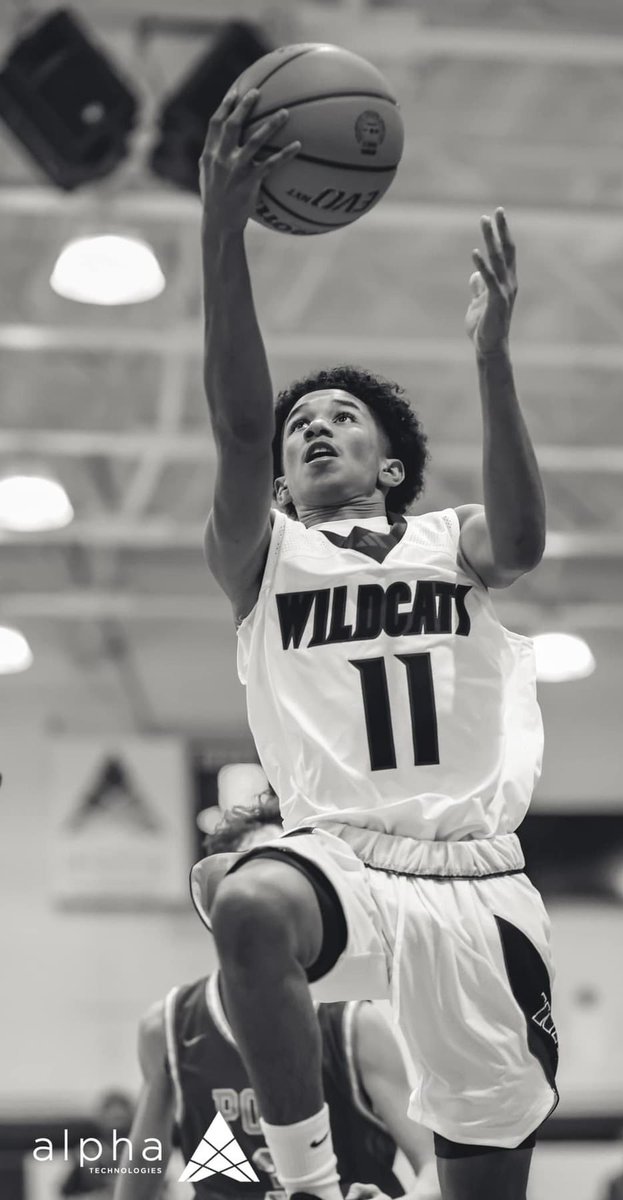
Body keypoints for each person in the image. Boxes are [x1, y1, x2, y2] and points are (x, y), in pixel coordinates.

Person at [193, 87, 556, 1200]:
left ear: (391, 463)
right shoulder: (263, 560)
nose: (314, 425)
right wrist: (222, 226)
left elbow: (528, 539)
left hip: (477, 879)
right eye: (306, 423)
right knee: (248, 901)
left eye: (342, 416)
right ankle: (307, 1182)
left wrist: (491, 357)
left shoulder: (452, 541)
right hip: (340, 852)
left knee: (484, 1171)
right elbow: (242, 424)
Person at [115, 794, 439, 1200]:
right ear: (220, 898)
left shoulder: (354, 1024)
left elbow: (435, 1172)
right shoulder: (168, 1025)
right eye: (257, 871)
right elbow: (138, 1180)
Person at [61, 1091, 135, 1197]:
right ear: (100, 1120)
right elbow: (68, 1192)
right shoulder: (88, 1154)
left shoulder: (139, 1152)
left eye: (121, 1119)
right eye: (113, 1118)